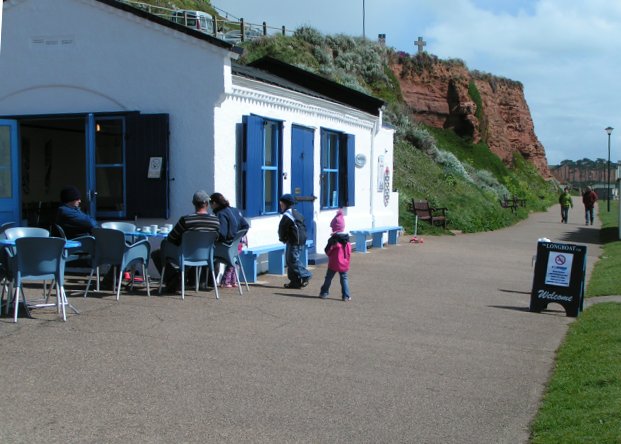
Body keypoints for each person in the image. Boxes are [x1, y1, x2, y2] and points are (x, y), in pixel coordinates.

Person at [152, 190, 220, 292]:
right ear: (206, 203)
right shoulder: (215, 221)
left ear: (194, 204)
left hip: (185, 255)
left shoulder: (186, 220)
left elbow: (171, 238)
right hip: (206, 256)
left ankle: (174, 279)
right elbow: (217, 239)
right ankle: (181, 279)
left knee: (156, 253)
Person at [209, 192, 249, 288]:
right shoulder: (235, 210)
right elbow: (246, 225)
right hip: (235, 247)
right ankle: (231, 281)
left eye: (210, 204)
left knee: (208, 250)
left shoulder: (220, 214)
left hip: (226, 249)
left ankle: (209, 282)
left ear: (214, 203)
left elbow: (222, 234)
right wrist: (237, 239)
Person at [278, 194, 311, 289]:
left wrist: (282, 238)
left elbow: (282, 228)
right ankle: (294, 282)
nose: (281, 206)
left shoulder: (287, 215)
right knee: (290, 260)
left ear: (286, 204)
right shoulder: (296, 213)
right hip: (299, 239)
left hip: (294, 240)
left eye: (282, 204)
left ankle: (306, 274)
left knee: (292, 260)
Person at [319, 209, 351, 301]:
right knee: (344, 278)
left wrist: (330, 254)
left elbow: (327, 250)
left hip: (333, 263)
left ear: (334, 227)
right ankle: (346, 295)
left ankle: (324, 293)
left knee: (328, 278)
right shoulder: (347, 239)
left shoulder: (333, 239)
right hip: (344, 263)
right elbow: (349, 252)